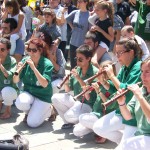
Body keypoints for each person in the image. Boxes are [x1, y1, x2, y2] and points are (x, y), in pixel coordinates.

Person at [92, 38, 142, 149]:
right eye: (116, 52)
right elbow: (116, 88)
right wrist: (103, 82)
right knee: (98, 127)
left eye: (120, 52)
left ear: (131, 52)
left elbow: (126, 91)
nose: (117, 56)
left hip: (133, 116)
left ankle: (126, 143)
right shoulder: (124, 67)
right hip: (122, 110)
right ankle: (123, 142)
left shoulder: (138, 67)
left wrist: (111, 75)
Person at [51, 44, 98, 129]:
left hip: (89, 105)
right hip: (78, 101)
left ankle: (84, 122)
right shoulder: (78, 69)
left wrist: (79, 78)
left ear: (88, 59)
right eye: (76, 59)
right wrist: (66, 82)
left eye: (80, 59)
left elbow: (90, 97)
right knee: (55, 98)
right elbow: (68, 91)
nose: (77, 62)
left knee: (69, 116)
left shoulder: (95, 73)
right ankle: (69, 123)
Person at [73, 60, 118, 144]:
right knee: (77, 131)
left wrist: (98, 91)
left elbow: (108, 104)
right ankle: (98, 130)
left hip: (104, 115)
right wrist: (86, 93)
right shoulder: (100, 82)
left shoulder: (111, 84)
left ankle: (104, 133)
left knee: (82, 118)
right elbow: (90, 100)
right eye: (100, 70)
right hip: (95, 114)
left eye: (102, 71)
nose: (99, 73)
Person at [13, 38, 54, 128]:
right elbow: (15, 80)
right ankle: (30, 112)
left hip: (43, 96)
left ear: (40, 50)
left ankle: (50, 110)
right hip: (29, 93)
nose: (31, 53)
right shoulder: (25, 61)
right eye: (29, 50)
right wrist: (18, 70)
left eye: (34, 50)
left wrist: (34, 68)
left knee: (32, 123)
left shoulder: (47, 64)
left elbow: (44, 84)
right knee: (20, 102)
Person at [116, 56, 150, 150]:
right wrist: (121, 103)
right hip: (142, 135)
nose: (143, 76)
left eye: (147, 72)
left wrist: (140, 97)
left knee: (127, 146)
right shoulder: (141, 90)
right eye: (142, 72)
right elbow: (128, 116)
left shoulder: (139, 93)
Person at [66, 0, 90, 69]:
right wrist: (72, 27)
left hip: (82, 44)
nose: (78, 3)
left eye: (80, 1)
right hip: (73, 42)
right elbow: (67, 19)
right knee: (73, 64)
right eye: (78, 1)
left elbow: (90, 30)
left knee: (81, 65)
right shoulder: (75, 12)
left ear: (86, 2)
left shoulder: (89, 14)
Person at [90, 0, 114, 68]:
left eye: (98, 10)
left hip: (104, 44)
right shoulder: (97, 20)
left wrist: (100, 30)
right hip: (97, 42)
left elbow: (111, 39)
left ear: (105, 10)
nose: (95, 12)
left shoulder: (108, 22)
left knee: (93, 61)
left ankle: (101, 74)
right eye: (95, 9)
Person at [0, 38, 18, 119]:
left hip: (11, 91)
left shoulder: (12, 60)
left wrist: (0, 66)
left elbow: (9, 75)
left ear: (8, 50)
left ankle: (8, 111)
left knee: (6, 90)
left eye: (2, 49)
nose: (0, 52)